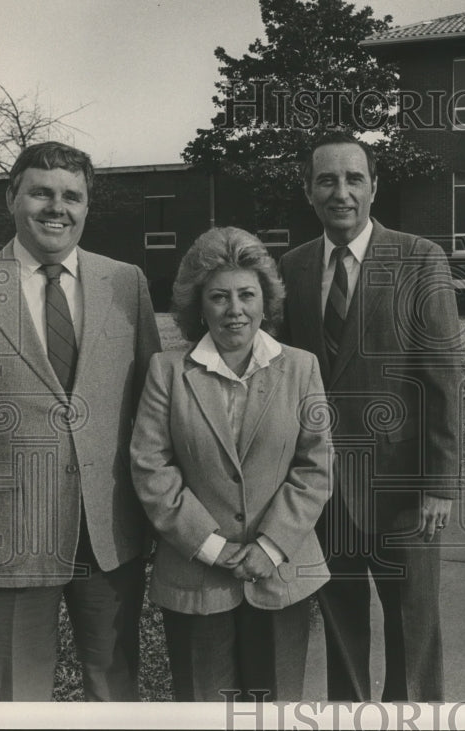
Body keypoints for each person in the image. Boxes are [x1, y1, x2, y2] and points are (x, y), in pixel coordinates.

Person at [0, 141, 161, 700]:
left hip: (108, 533)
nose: (58, 207)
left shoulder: (126, 282)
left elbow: (153, 407)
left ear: (87, 206)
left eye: (72, 196)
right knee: (13, 697)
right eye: (42, 192)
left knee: (114, 689)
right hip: (6, 535)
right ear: (11, 198)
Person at [279, 132, 462, 701]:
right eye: (327, 180)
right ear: (309, 191)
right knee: (340, 624)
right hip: (324, 488)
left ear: (374, 186)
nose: (341, 192)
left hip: (403, 486)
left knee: (413, 624)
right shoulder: (293, 267)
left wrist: (438, 484)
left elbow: (442, 380)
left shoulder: (420, 258)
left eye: (353, 179)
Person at [129, 226, 332, 702]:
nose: (234, 309)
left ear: (266, 302)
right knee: (205, 709)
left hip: (281, 575)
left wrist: (273, 545)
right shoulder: (167, 370)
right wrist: (210, 546)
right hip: (196, 577)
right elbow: (150, 465)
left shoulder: (301, 368)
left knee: (276, 709)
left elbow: (315, 466)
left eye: (246, 294)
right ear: (198, 306)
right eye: (219, 297)